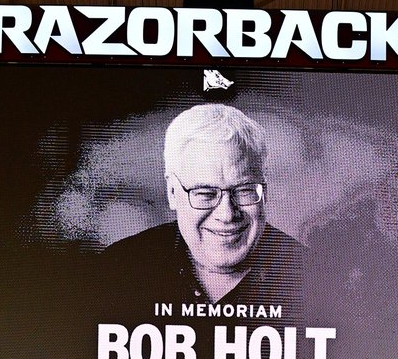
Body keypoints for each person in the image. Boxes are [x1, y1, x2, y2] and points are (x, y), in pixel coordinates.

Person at [100, 104, 308, 308]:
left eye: (243, 190)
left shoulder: (312, 277)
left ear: (264, 191)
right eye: (205, 194)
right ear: (172, 192)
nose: (227, 214)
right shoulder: (116, 271)